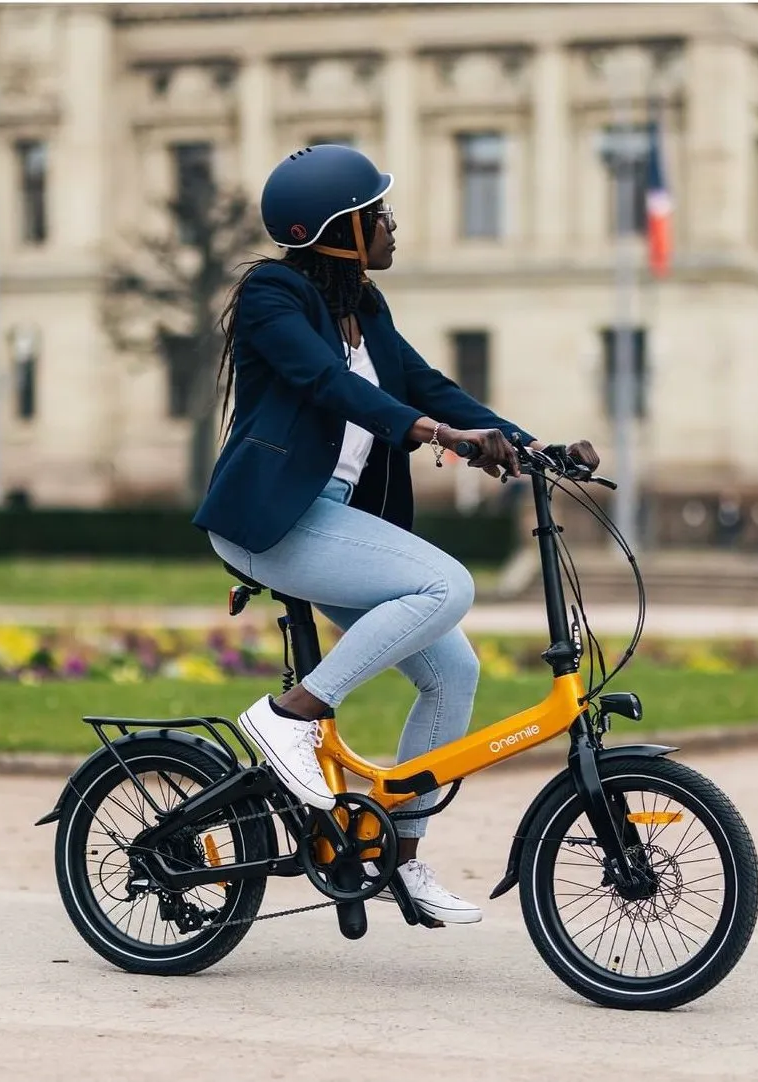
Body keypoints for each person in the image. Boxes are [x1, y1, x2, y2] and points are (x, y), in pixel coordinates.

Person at [192, 145, 599, 924]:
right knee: (447, 584)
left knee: (454, 674)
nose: (390, 224)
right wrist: (435, 435)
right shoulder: (272, 296)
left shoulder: (366, 308)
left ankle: (400, 860)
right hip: (268, 520)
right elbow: (328, 384)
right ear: (339, 230)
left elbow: (425, 384)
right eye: (376, 213)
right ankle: (291, 716)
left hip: (331, 517)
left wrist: (530, 443)